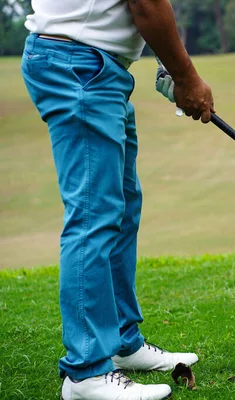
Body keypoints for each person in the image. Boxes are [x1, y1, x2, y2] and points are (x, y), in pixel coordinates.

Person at [20, 1, 214, 399]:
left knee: (121, 208)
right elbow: (146, 3)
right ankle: (86, 373)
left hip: (96, 67)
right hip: (78, 65)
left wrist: (168, 66)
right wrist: (186, 77)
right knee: (94, 216)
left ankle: (122, 342)